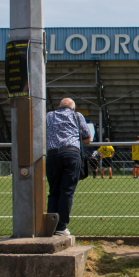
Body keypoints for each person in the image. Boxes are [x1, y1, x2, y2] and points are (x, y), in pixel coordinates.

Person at [45, 97, 91, 236]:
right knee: (67, 191)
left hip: (52, 155)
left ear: (59, 107)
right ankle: (61, 227)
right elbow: (87, 137)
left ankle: (50, 226)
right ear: (73, 108)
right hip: (71, 154)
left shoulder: (49, 115)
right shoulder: (76, 116)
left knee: (54, 192)